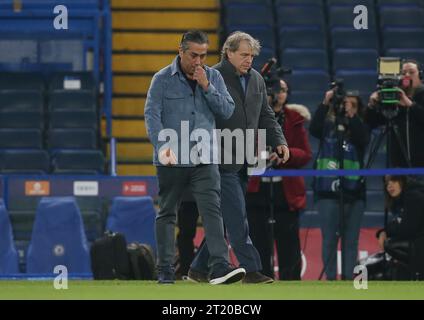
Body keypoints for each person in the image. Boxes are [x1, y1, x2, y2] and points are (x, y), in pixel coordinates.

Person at [144, 30, 245, 284]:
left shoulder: (213, 77)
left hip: (205, 158)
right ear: (181, 51)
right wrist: (160, 145)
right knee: (167, 212)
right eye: (193, 56)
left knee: (212, 211)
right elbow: (152, 114)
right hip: (172, 156)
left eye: (203, 55)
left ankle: (220, 266)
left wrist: (207, 87)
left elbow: (227, 110)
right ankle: (165, 268)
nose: (198, 61)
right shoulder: (162, 79)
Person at [189, 31, 290, 284]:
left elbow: (266, 115)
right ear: (229, 52)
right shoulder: (211, 76)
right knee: (237, 215)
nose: (249, 60)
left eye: (252, 56)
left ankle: (198, 269)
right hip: (217, 158)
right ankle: (251, 267)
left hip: (243, 159)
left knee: (224, 218)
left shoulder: (256, 79)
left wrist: (279, 141)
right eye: (244, 55)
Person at [246, 79, 312, 280]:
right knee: (259, 245)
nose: (280, 94)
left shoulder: (294, 118)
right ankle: (260, 285)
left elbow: (305, 154)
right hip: (257, 192)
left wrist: (286, 153)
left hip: (286, 193)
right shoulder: (251, 114)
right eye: (276, 90)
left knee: (289, 247)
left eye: (284, 90)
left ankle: (291, 288)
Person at [310, 90, 370, 280]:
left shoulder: (360, 126)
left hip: (355, 193)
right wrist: (325, 102)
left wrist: (351, 117)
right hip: (327, 193)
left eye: (353, 104)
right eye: (345, 103)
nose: (347, 106)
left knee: (351, 241)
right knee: (329, 239)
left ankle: (347, 280)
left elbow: (364, 139)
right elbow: (314, 128)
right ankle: (330, 279)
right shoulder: (327, 126)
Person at [366, 59, 424, 168]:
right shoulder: (392, 97)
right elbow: (372, 123)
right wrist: (371, 105)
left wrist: (410, 104)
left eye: (411, 72)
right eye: (403, 73)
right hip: (398, 164)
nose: (406, 76)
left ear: (420, 75)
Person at [376, 175, 424, 280]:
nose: (389, 186)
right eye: (387, 183)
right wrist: (384, 231)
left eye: (393, 180)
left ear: (402, 180)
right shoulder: (407, 197)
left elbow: (406, 229)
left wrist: (386, 232)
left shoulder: (413, 196)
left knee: (391, 244)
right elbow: (400, 224)